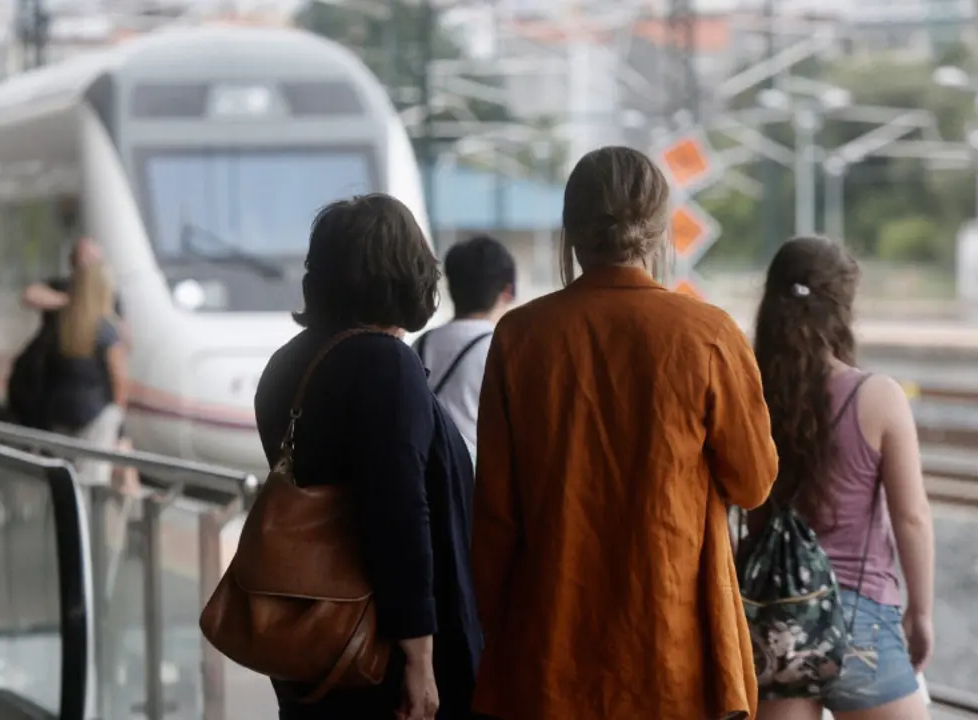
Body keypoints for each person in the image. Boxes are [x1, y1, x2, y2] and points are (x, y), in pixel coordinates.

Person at [470, 146, 779, 720]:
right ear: (660, 230)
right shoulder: (707, 334)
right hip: (672, 643)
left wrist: (497, 630)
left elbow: (495, 515)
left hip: (550, 645)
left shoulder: (520, 338)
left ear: (572, 230)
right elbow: (754, 484)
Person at [254, 193, 481, 720]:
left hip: (314, 636)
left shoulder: (288, 363)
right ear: (406, 272)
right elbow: (399, 516)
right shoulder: (384, 364)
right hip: (378, 652)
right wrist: (420, 657)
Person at [749, 237, 935, 720]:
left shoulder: (750, 395)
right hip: (859, 620)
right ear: (842, 309)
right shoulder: (876, 396)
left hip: (775, 624)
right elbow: (911, 517)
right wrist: (921, 613)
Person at [413, 235, 516, 462]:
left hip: (429, 480)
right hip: (473, 484)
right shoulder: (503, 349)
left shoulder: (419, 345)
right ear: (507, 291)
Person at [46, 260, 128, 487]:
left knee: (63, 477)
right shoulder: (106, 329)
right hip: (95, 416)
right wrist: (121, 431)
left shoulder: (65, 326)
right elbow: (119, 381)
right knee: (92, 480)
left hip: (62, 414)